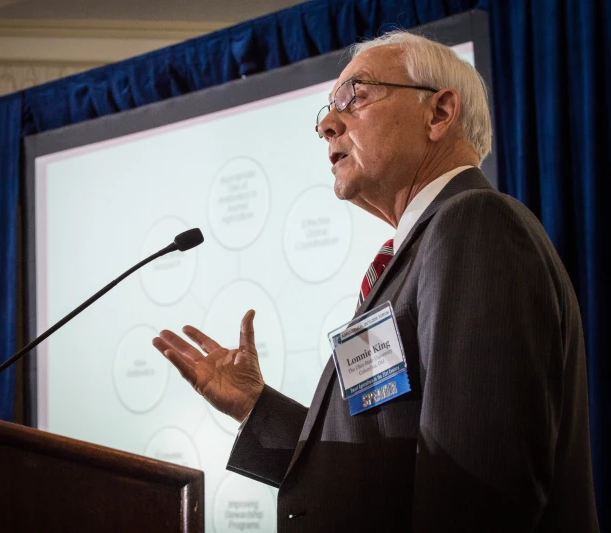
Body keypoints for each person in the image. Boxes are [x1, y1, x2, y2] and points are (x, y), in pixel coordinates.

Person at [152, 31, 599, 532]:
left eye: (355, 95)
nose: (327, 123)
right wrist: (257, 408)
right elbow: (382, 476)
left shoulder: (475, 224)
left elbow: (476, 494)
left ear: (439, 113)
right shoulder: (423, 251)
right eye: (326, 108)